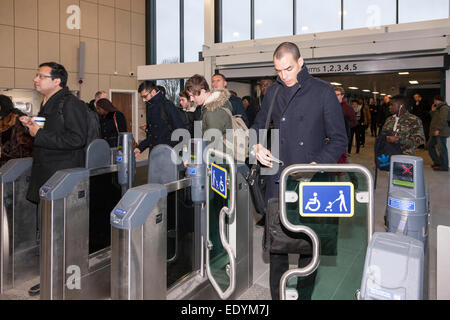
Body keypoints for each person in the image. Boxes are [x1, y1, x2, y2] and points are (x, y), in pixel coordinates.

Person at [251, 42, 347, 300]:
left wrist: (316, 164)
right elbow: (257, 125)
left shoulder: (323, 92)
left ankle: (303, 297)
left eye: (289, 68)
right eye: (278, 70)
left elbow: (339, 139)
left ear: (301, 62)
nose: (284, 75)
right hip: (278, 180)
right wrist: (256, 145)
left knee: (309, 248)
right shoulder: (272, 92)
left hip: (310, 180)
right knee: (277, 249)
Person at [19, 62, 88, 296]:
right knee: (47, 231)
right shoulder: (48, 103)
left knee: (58, 232)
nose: (36, 79)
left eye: (41, 76)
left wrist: (41, 135)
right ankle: (51, 275)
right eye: (36, 75)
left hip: (61, 178)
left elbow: (76, 139)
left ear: (57, 81)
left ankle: (61, 278)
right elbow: (52, 134)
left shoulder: (71, 104)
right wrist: (33, 126)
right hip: (47, 176)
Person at [134, 81, 185, 157]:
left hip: (167, 154)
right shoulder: (149, 106)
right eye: (142, 97)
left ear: (153, 92)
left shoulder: (167, 106)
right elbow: (152, 135)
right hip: (154, 154)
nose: (143, 100)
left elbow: (180, 132)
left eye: (145, 96)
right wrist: (140, 148)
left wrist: (166, 148)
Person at [185, 74, 233, 151]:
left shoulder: (213, 111)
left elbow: (212, 145)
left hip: (220, 159)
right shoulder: (211, 107)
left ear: (203, 91)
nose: (191, 99)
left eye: (193, 95)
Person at [0, 94, 33, 166]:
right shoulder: (5, 118)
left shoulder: (15, 119)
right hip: (10, 159)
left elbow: (20, 143)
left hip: (14, 160)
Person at [427, 95, 449, 171]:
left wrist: (438, 129)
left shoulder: (444, 108)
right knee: (429, 146)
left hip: (441, 132)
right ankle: (437, 162)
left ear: (438, 100)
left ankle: (444, 166)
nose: (434, 102)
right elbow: (434, 118)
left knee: (442, 149)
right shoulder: (438, 108)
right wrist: (433, 110)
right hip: (435, 132)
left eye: (435, 100)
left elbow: (443, 120)